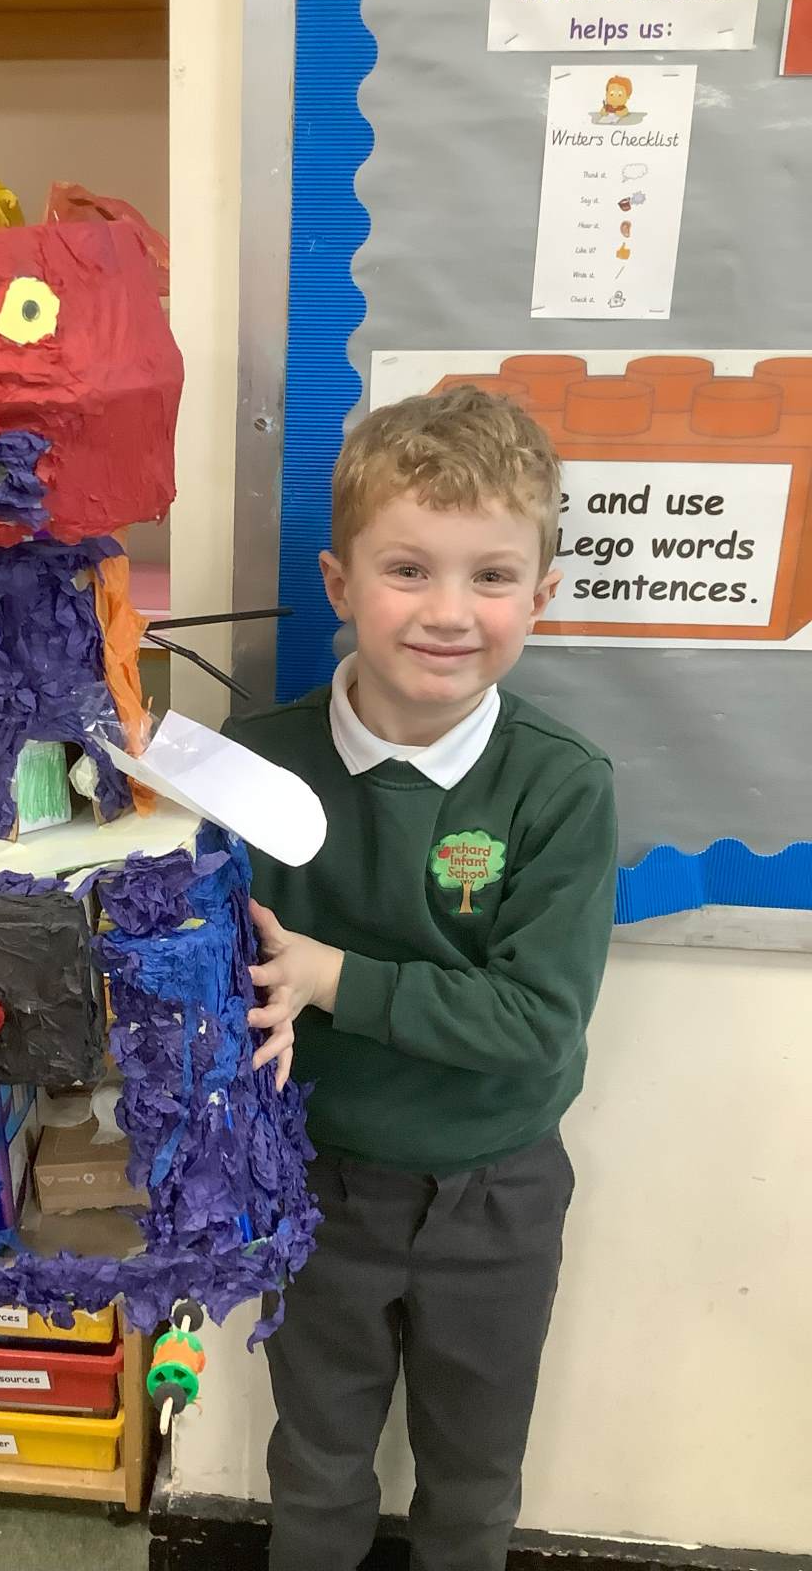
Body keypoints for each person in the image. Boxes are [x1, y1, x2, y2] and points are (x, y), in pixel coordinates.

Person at [223, 387, 618, 1571]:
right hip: (319, 1183)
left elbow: (536, 1022)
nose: (449, 611)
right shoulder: (255, 767)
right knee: (317, 1463)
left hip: (495, 1194)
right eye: (408, 569)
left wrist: (331, 976)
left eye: (491, 576)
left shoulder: (560, 784)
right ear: (341, 583)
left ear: (540, 596)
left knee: (474, 1477)